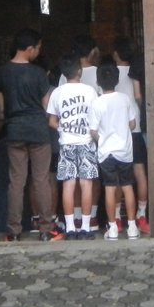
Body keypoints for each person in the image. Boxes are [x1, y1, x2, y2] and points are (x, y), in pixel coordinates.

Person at [0, 29, 62, 242]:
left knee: (16, 182)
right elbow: (47, 106)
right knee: (41, 180)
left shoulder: (2, 72)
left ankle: (13, 232)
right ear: (30, 48)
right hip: (38, 132)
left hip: (14, 130)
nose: (38, 52)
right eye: (38, 48)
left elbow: (2, 109)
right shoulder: (37, 74)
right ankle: (45, 229)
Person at [46, 55, 99, 239]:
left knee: (68, 186)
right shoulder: (90, 91)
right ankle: (85, 227)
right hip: (86, 143)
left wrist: (62, 128)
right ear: (80, 72)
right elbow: (96, 117)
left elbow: (51, 121)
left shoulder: (57, 93)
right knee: (86, 185)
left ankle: (69, 228)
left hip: (66, 144)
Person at [89, 64, 139, 241]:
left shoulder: (97, 102)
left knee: (110, 189)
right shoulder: (125, 99)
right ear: (117, 80)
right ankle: (132, 227)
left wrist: (100, 138)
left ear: (98, 82)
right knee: (127, 187)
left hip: (106, 152)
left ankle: (112, 229)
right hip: (124, 151)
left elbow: (93, 131)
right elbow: (132, 124)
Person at [112, 37, 149, 234]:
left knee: (117, 176)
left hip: (116, 133)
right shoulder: (139, 71)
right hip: (135, 130)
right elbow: (138, 97)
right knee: (140, 173)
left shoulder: (109, 74)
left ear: (117, 54)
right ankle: (142, 215)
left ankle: (117, 218)